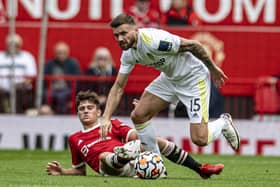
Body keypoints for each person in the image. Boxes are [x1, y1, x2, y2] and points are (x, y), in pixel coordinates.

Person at [100, 13, 240, 156]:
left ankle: (223, 123)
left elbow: (194, 45)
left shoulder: (155, 41)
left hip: (193, 78)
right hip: (170, 78)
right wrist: (105, 118)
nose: (120, 39)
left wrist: (212, 68)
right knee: (139, 115)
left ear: (135, 29)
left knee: (200, 138)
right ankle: (155, 161)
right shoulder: (128, 55)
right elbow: (118, 87)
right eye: (116, 35)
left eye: (124, 33)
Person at [46, 90, 224, 178]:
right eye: (82, 109)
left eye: (90, 108)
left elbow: (135, 135)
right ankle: (123, 157)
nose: (85, 111)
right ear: (78, 113)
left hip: (130, 162)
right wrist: (62, 171)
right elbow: (80, 171)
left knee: (153, 140)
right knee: (102, 156)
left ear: (99, 112)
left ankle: (200, 169)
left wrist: (143, 117)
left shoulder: (112, 124)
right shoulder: (74, 138)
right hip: (108, 168)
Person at [0, 33, 37, 113]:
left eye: (15, 45)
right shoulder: (1, 56)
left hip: (20, 88)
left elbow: (31, 77)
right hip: (2, 89)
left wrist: (19, 85)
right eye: (10, 44)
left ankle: (18, 116)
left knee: (20, 92)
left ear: (20, 45)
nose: (13, 47)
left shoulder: (27, 57)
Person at [44, 41, 81, 114]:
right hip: (52, 88)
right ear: (55, 53)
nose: (61, 54)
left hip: (67, 88)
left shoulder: (73, 63)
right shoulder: (49, 64)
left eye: (63, 52)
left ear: (67, 52)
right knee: (45, 93)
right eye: (59, 52)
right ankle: (49, 111)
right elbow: (44, 78)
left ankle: (62, 115)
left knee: (61, 96)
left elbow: (78, 80)